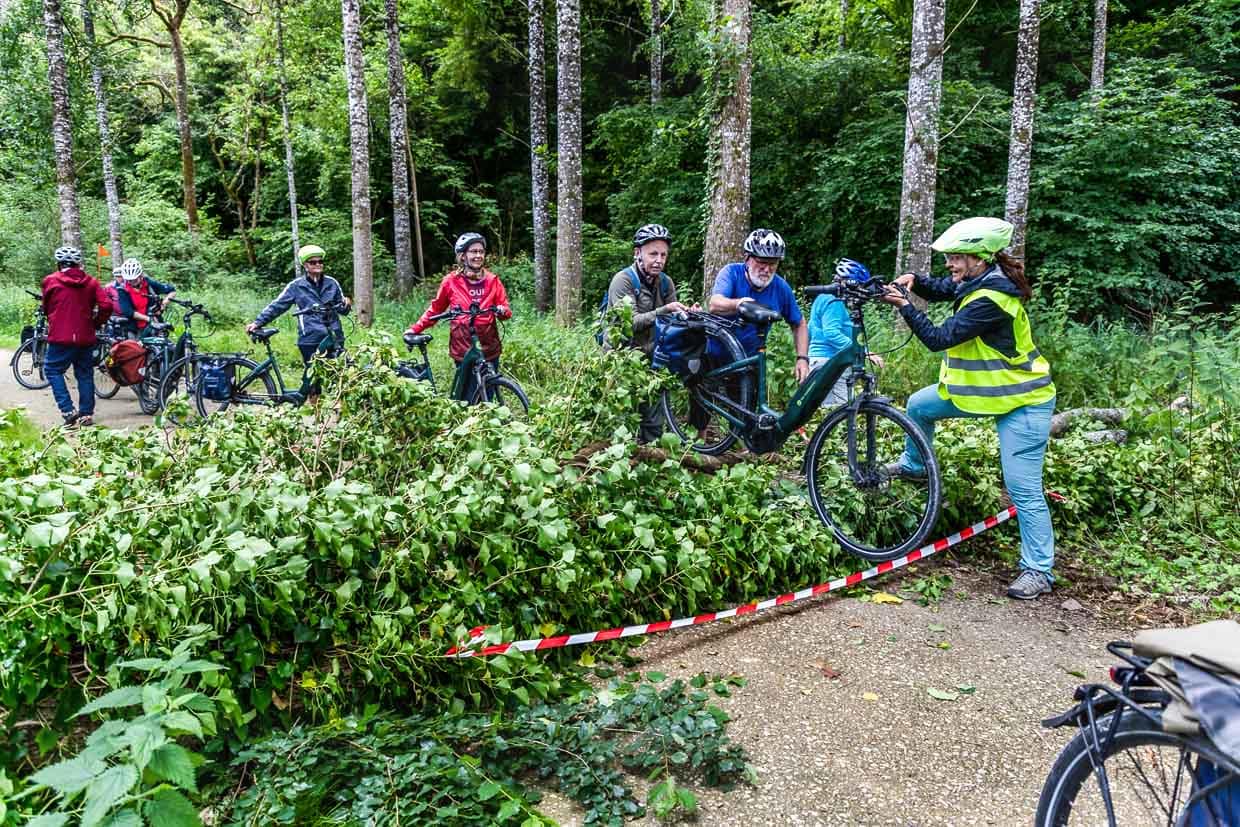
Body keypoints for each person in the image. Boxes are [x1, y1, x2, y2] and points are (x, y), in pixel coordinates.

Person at [880, 216, 1057, 600]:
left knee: (1022, 489)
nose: (950, 264)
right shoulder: (979, 279)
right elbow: (945, 287)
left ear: (979, 258)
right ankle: (914, 466)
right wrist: (916, 280)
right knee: (919, 406)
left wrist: (905, 307)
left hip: (1024, 402)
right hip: (982, 394)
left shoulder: (992, 299)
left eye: (956, 258)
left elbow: (940, 338)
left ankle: (1038, 570)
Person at [605, 223, 690, 443]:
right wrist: (664, 310)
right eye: (653, 254)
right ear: (638, 253)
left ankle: (652, 459)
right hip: (621, 358)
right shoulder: (622, 281)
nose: (659, 260)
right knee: (621, 419)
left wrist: (687, 314)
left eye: (663, 254)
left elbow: (673, 319)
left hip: (653, 357)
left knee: (654, 419)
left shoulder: (665, 282)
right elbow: (630, 322)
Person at [407, 233, 512, 401]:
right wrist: (414, 329)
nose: (478, 256)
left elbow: (506, 310)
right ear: (463, 256)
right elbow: (435, 310)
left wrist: (502, 310)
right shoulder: (451, 282)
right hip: (463, 348)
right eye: (473, 252)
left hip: (489, 347)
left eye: (481, 252)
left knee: (489, 394)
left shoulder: (493, 281)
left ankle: (490, 424)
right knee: (468, 398)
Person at [707, 228, 810, 383]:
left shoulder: (781, 287)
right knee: (705, 406)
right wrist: (740, 303)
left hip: (749, 362)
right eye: (762, 262)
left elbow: (799, 323)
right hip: (714, 359)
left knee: (747, 406)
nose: (767, 269)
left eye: (773, 264)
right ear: (747, 258)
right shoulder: (731, 273)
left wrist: (802, 358)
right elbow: (715, 304)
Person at [247, 244, 352, 392]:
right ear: (305, 265)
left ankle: (339, 409)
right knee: (314, 380)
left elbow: (343, 310)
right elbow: (278, 306)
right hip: (310, 337)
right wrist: (258, 322)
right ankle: (315, 410)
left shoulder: (332, 283)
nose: (318, 265)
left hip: (333, 335)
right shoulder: (296, 286)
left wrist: (347, 304)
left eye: (320, 262)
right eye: (313, 262)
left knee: (342, 374)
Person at [40, 246, 114, 427]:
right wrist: (95, 323)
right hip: (85, 336)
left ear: (59, 264)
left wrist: (54, 318)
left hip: (60, 337)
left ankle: (67, 410)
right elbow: (107, 306)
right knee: (84, 374)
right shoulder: (91, 282)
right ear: (78, 263)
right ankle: (86, 414)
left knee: (52, 370)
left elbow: (46, 306)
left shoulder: (50, 280)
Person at [807, 259, 884, 405]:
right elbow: (831, 333)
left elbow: (811, 328)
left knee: (826, 411)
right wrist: (862, 350)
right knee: (839, 411)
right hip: (831, 362)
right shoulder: (833, 301)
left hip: (820, 360)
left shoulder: (823, 298)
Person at [112, 259, 176, 335]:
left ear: (140, 275)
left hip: (154, 325)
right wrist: (148, 319)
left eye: (134, 280)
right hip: (134, 328)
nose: (131, 282)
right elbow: (128, 312)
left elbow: (172, 291)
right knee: (134, 346)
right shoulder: (122, 290)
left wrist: (163, 304)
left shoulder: (148, 283)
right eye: (129, 280)